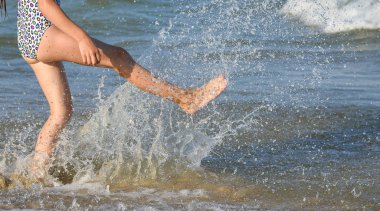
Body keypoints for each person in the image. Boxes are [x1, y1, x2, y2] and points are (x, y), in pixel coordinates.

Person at [0, 0, 227, 175]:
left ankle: (37, 174)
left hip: (28, 38)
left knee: (60, 113)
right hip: (41, 34)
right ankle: (185, 98)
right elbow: (44, 3)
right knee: (119, 57)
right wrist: (82, 38)